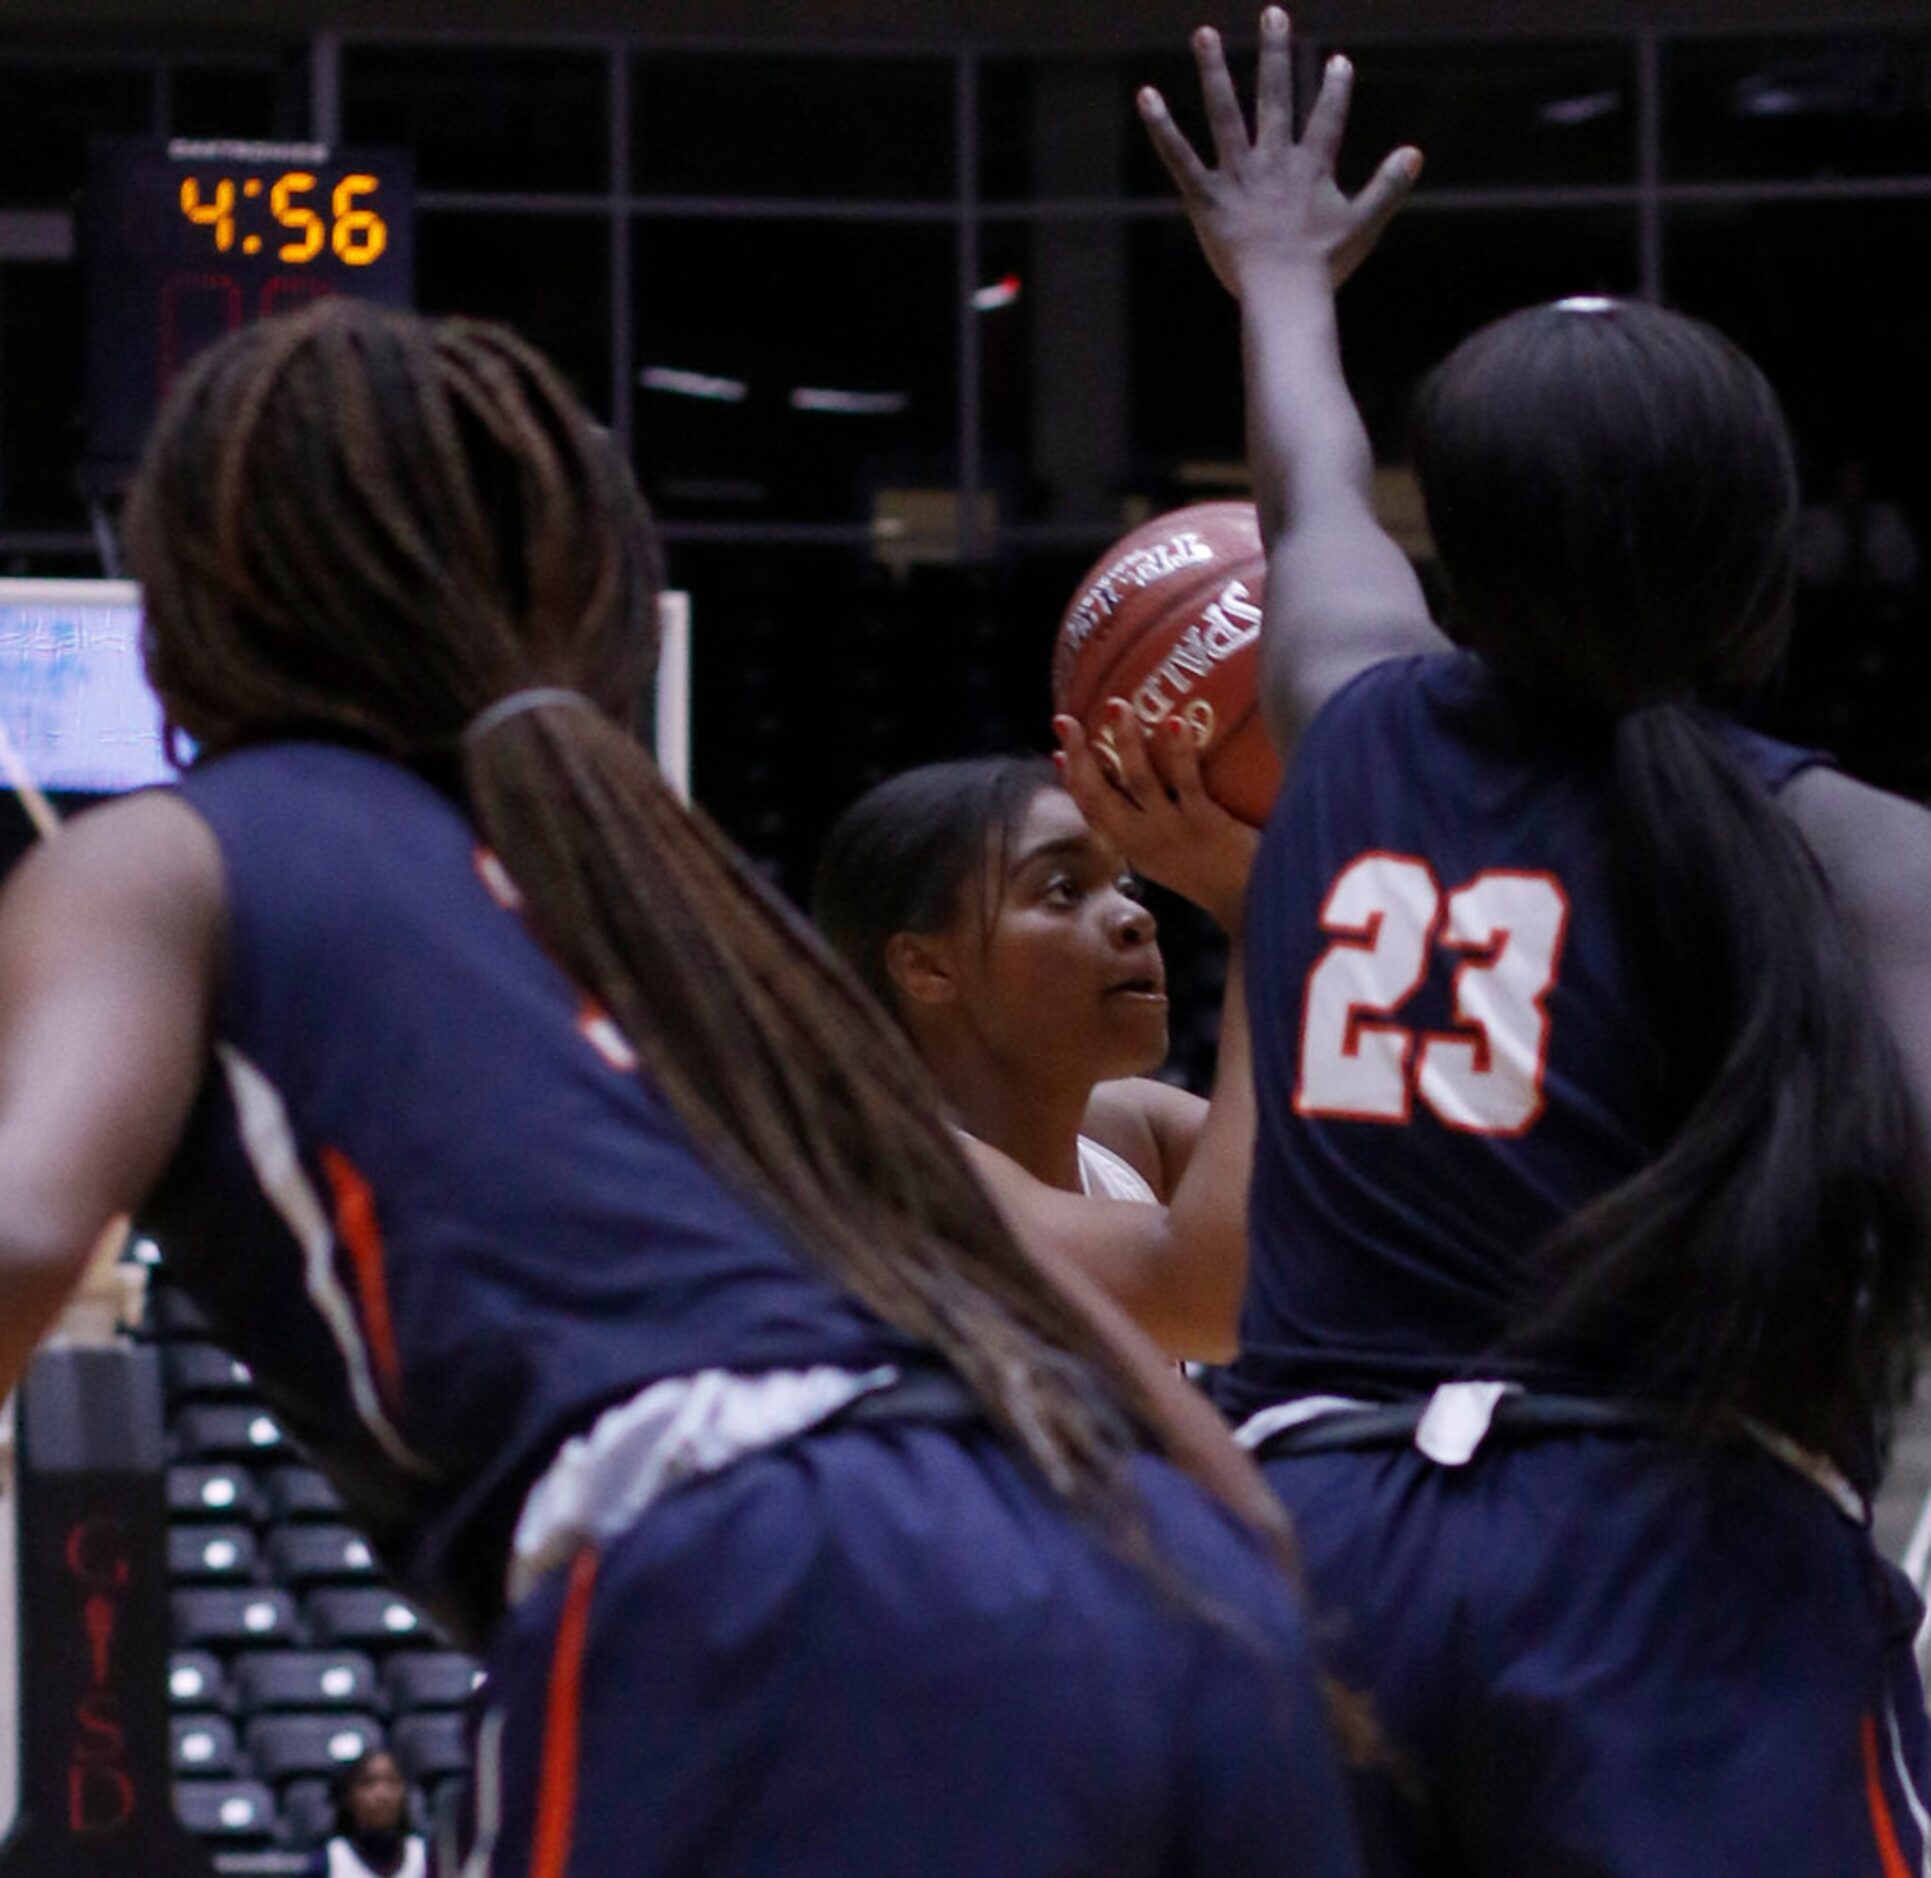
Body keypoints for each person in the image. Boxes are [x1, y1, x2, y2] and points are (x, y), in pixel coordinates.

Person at [0, 298, 1366, 1874]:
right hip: (1150, 1555)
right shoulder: (653, 895)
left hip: (745, 1570)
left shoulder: (165, 855)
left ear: (197, 594)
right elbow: (1077, 1332)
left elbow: (30, 1227)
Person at [1123, 12, 1931, 1872]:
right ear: (1760, 566)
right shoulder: (1851, 853)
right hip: (1666, 1562)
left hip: (1309, 1551)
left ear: (1455, 562)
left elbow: (1310, 479)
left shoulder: (1342, 705)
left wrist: (1276, 272)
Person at [813, 723, 1257, 1361]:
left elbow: (1360, 1224)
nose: (1136, 918)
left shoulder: (1134, 1130)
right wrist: (1260, 910)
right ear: (925, 967)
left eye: (1126, 887)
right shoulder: (899, 1173)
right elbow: (1220, 1301)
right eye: (1064, 891)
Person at [304, 1750, 428, 1878]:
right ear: (348, 1795)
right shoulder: (327, 1860)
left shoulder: (426, 1857)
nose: (382, 1794)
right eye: (369, 1782)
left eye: (392, 1781)